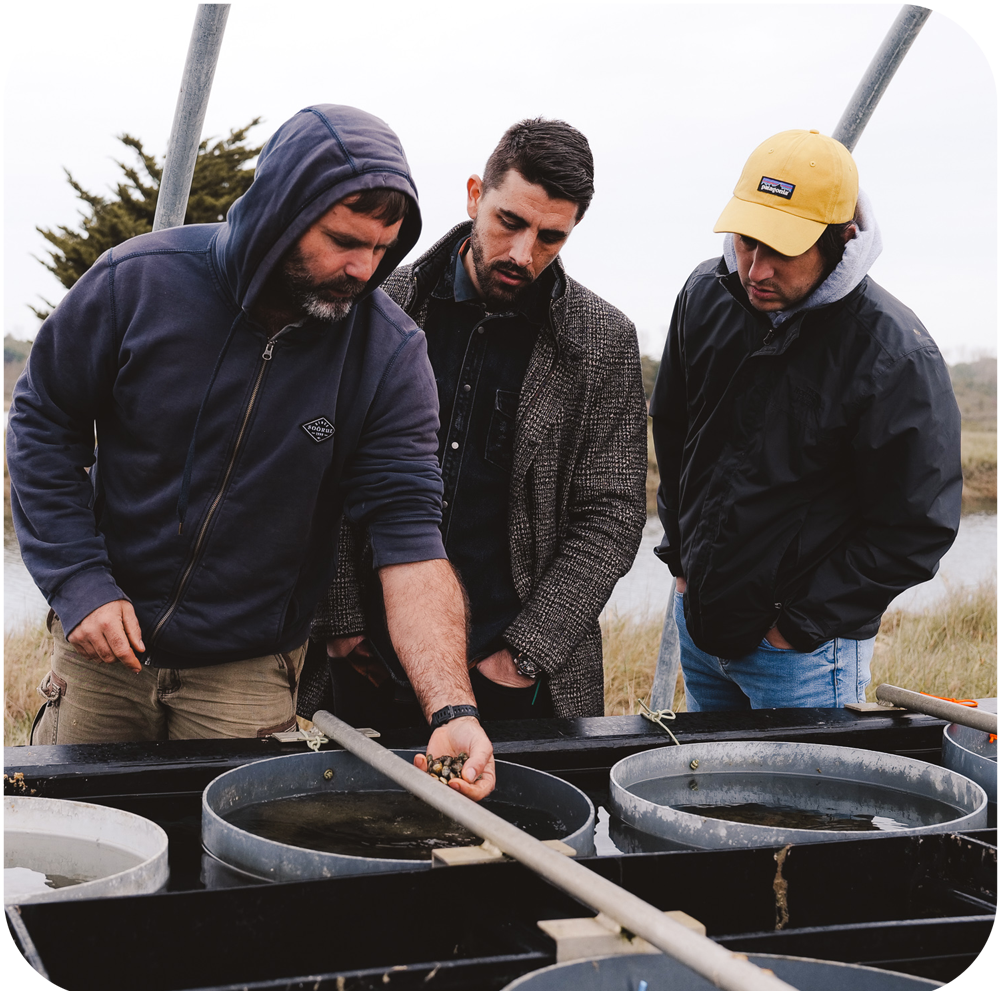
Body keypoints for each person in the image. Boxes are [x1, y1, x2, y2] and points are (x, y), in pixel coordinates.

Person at [7, 104, 494, 798]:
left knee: (228, 872)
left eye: (383, 248)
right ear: (279, 213)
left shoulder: (388, 355)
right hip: (102, 651)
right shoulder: (136, 282)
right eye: (343, 240)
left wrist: (452, 708)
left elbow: (410, 541)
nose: (364, 269)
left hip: (247, 674)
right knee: (73, 852)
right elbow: (42, 418)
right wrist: (78, 581)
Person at [311, 118, 647, 724]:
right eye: (509, 222)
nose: (523, 253)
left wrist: (524, 655)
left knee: (520, 823)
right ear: (474, 195)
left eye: (550, 237)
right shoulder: (378, 304)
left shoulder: (602, 341)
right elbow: (323, 465)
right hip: (368, 662)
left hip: (512, 676)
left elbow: (614, 513)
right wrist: (342, 626)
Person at [650, 129, 962, 711]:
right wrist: (682, 562)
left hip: (804, 660)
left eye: (783, 249)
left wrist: (794, 628)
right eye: (747, 241)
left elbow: (916, 527)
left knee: (801, 805)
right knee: (704, 798)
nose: (756, 269)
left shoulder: (894, 356)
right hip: (699, 622)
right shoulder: (703, 295)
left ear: (840, 241)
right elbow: (674, 433)